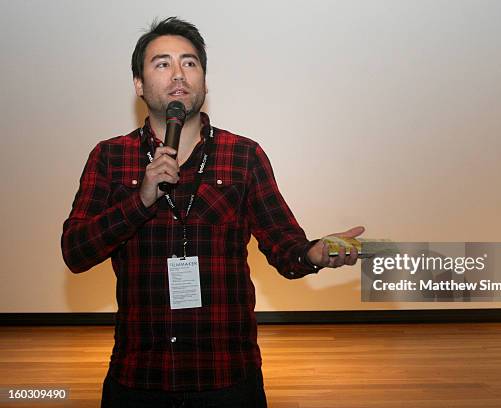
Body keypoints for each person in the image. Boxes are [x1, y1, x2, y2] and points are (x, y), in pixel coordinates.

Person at [61, 17, 364, 408]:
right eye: (162, 63)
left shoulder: (244, 155)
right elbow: (75, 252)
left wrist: (313, 253)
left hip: (226, 375)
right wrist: (141, 199)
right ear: (138, 84)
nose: (178, 74)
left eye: (190, 63)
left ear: (203, 81)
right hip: (139, 375)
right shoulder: (109, 157)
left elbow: (284, 244)